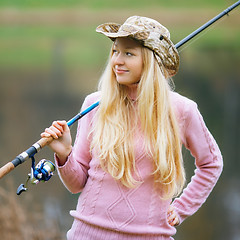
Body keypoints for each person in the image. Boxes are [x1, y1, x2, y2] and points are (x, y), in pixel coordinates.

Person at [41, 16, 223, 240]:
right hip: (86, 234)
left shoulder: (182, 110)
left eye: (128, 53)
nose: (117, 60)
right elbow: (76, 184)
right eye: (115, 51)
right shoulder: (93, 105)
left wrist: (181, 208)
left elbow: (211, 163)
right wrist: (64, 153)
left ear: (151, 60)